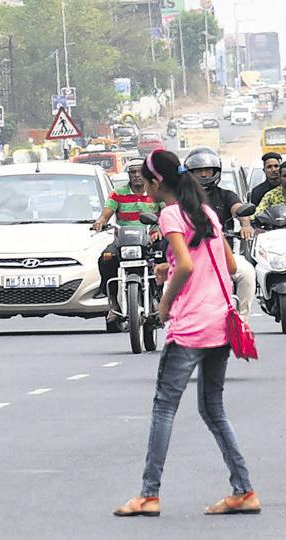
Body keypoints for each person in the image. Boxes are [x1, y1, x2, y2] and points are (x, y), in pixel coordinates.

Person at [114, 149, 260, 518]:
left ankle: (149, 494)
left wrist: (164, 304)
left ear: (156, 182)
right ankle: (243, 490)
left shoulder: (169, 214)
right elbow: (226, 263)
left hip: (191, 326)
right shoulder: (206, 212)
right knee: (213, 409)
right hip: (220, 324)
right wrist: (169, 265)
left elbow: (189, 266)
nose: (142, 186)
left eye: (144, 180)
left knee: (164, 408)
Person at [183, 148, 256, 319]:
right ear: (189, 174)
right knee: (169, 284)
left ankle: (242, 320)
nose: (203, 174)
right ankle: (179, 325)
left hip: (223, 254)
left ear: (216, 171)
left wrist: (245, 224)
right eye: (198, 171)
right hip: (191, 256)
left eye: (207, 170)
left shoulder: (226, 195)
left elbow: (239, 209)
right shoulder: (182, 199)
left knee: (247, 273)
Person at [93, 157, 163, 322]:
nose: (137, 175)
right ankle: (113, 304)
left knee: (165, 258)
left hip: (151, 240)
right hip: (124, 241)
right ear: (128, 175)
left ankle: (160, 300)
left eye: (140, 172)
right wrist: (101, 221)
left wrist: (159, 229)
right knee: (106, 259)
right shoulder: (118, 193)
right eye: (132, 172)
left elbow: (167, 212)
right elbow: (106, 213)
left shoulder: (155, 192)